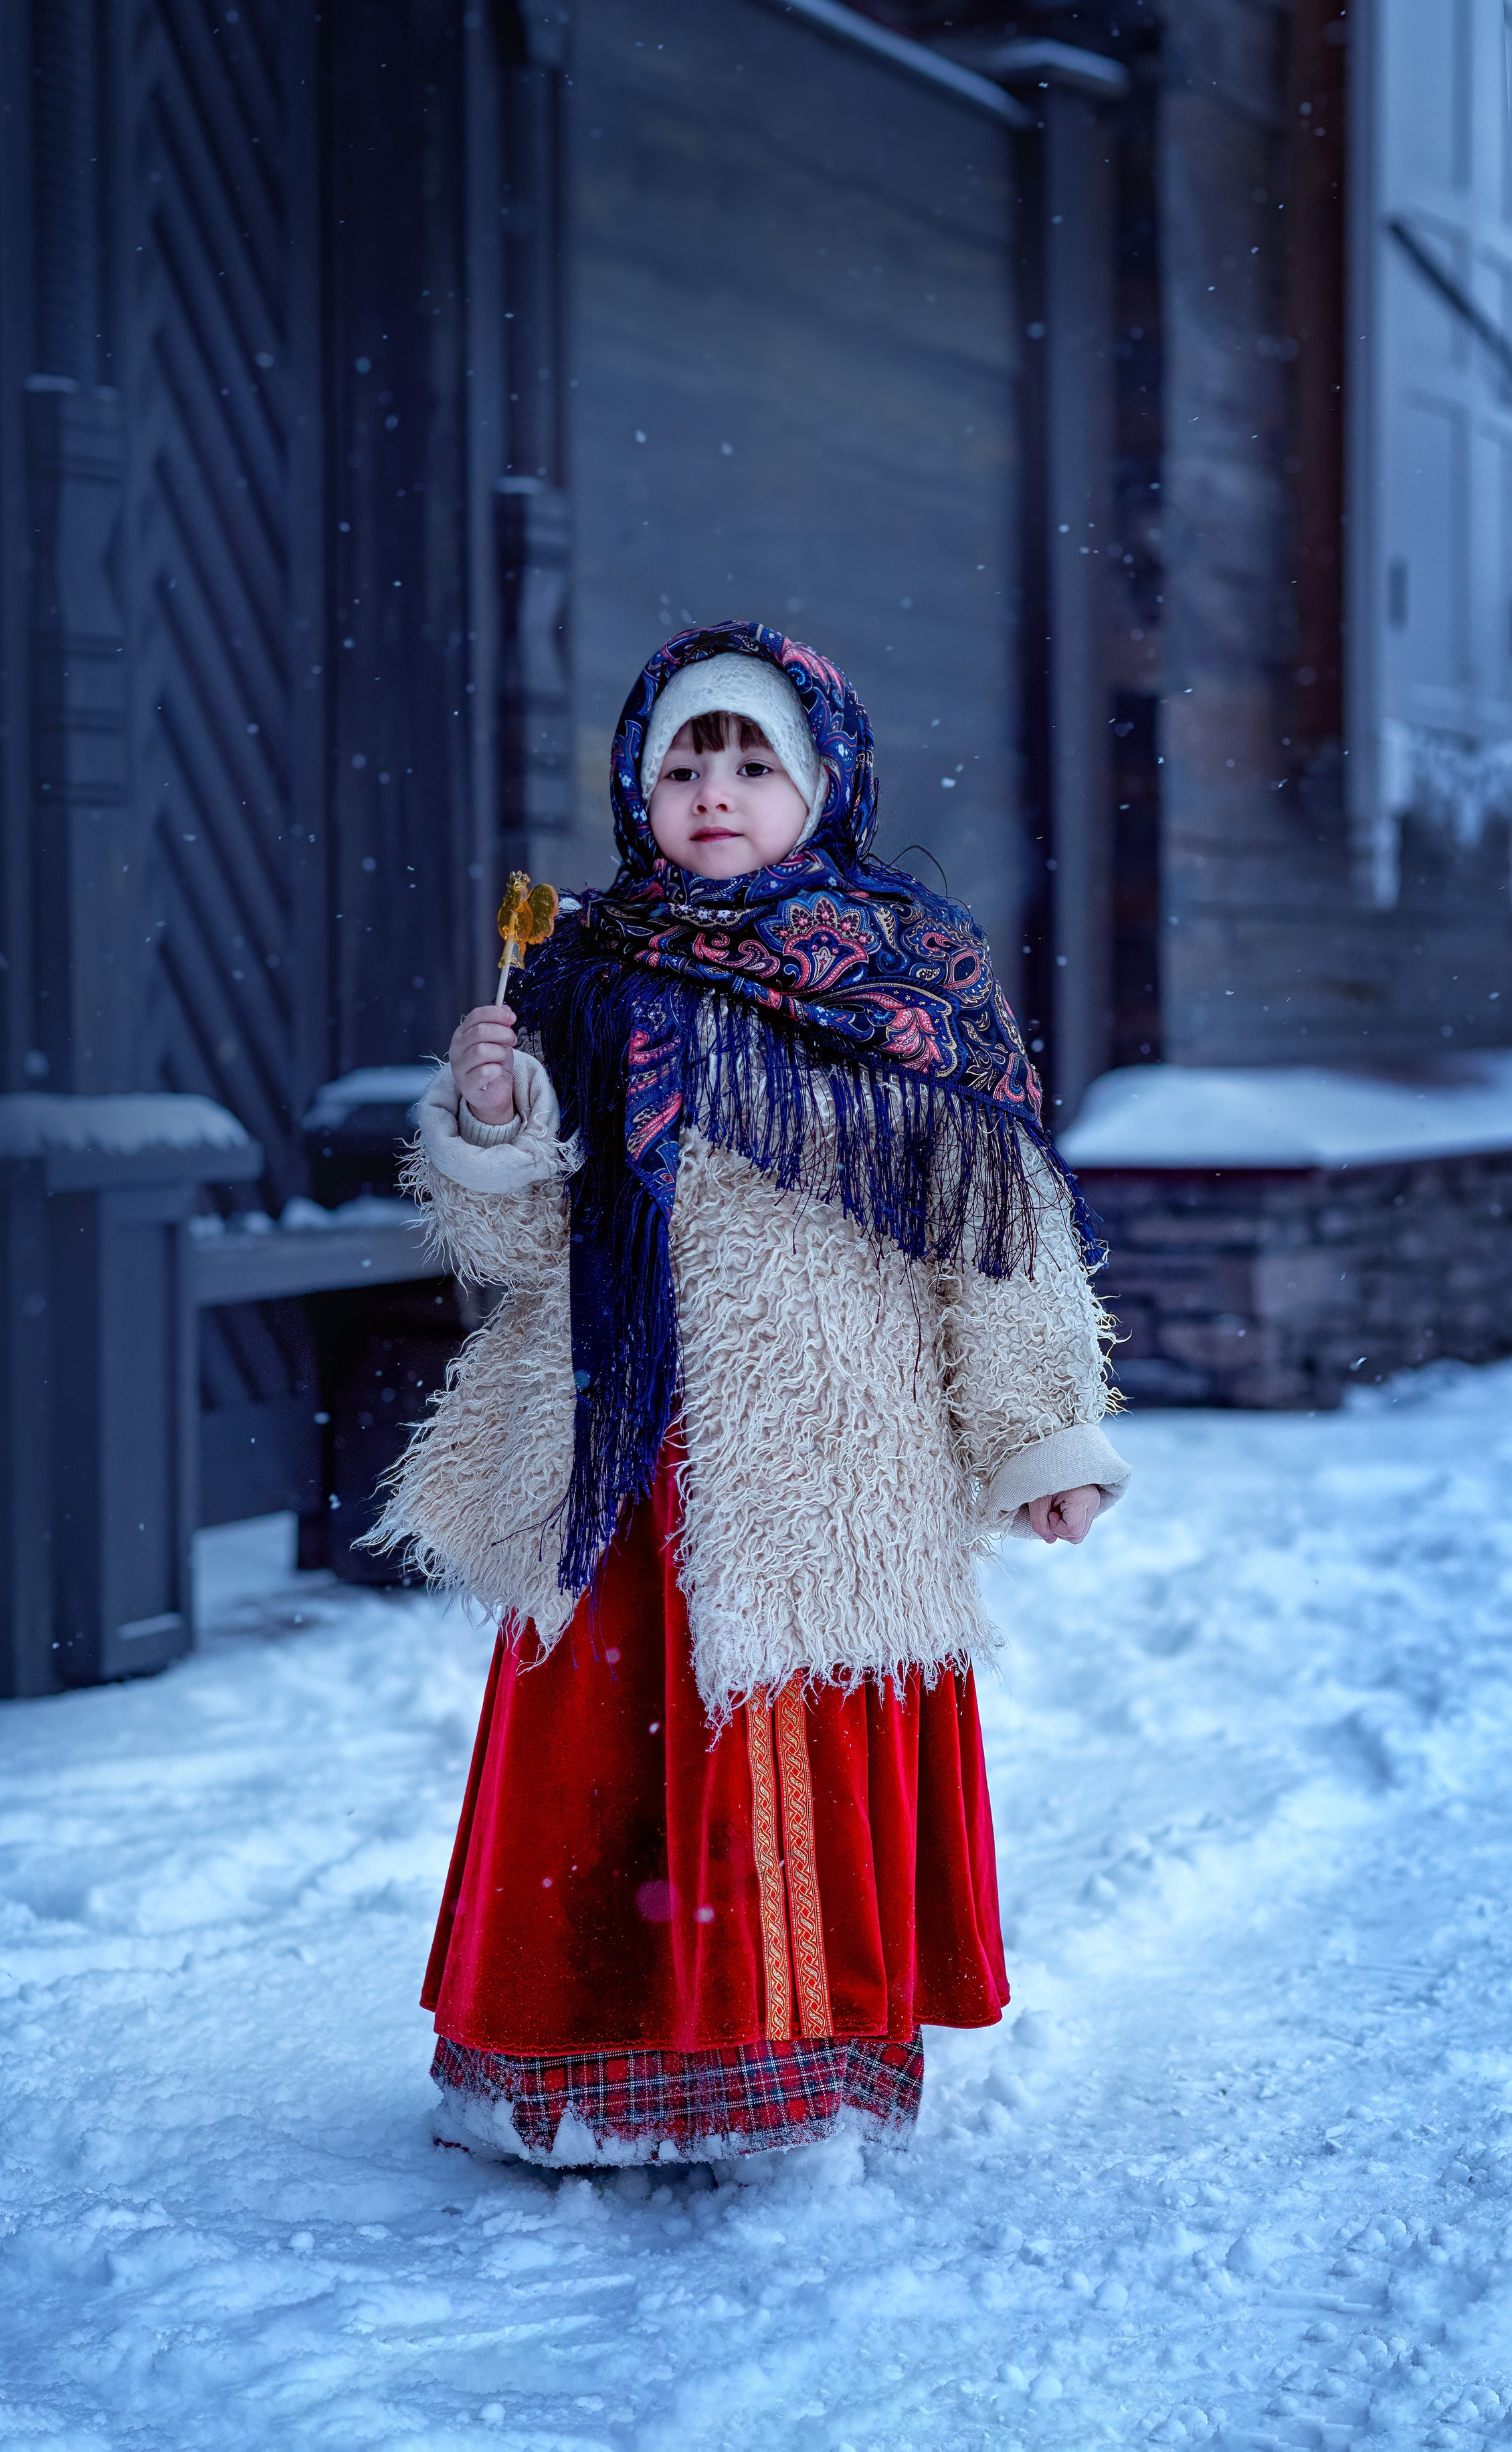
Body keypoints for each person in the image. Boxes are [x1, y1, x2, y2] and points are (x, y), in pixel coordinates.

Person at [370, 621, 1129, 2167]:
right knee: (608, 1765)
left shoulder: (907, 985)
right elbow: (522, 1247)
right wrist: (492, 1112)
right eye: (682, 763)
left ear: (821, 782)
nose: (714, 790)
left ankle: (791, 2085)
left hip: (830, 1454)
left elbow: (996, 1237)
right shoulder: (581, 978)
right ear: (637, 789)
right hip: (623, 1454)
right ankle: (580, 2081)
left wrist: (1038, 1431)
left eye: (750, 760)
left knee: (795, 1738)